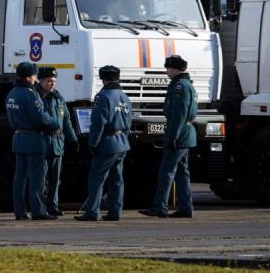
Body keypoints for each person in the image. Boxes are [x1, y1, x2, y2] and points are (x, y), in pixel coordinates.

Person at [139, 54, 198, 219]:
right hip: (186, 134)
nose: (167, 72)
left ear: (177, 69)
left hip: (179, 133)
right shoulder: (186, 84)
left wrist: (173, 136)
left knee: (166, 172)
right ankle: (186, 208)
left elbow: (180, 113)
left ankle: (159, 206)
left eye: (168, 68)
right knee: (181, 173)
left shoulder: (179, 86)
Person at [74, 65, 132, 221]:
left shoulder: (103, 96)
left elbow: (99, 122)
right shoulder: (125, 97)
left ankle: (92, 212)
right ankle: (115, 211)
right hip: (121, 142)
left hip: (107, 143)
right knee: (117, 179)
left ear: (103, 79)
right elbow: (128, 122)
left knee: (96, 178)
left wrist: (93, 143)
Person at [6, 61, 60, 221]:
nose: (35, 79)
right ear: (29, 77)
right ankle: (38, 211)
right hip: (33, 139)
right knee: (37, 177)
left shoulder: (12, 94)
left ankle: (20, 211)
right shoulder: (30, 94)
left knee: (20, 176)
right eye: (34, 76)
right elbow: (40, 117)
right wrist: (55, 123)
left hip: (18, 138)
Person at [35, 66, 79, 216]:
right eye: (48, 81)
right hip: (43, 141)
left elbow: (66, 122)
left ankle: (52, 205)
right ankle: (40, 207)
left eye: (54, 81)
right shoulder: (37, 97)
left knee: (55, 178)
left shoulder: (58, 98)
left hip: (57, 142)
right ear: (40, 81)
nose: (52, 84)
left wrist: (72, 140)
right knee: (42, 178)